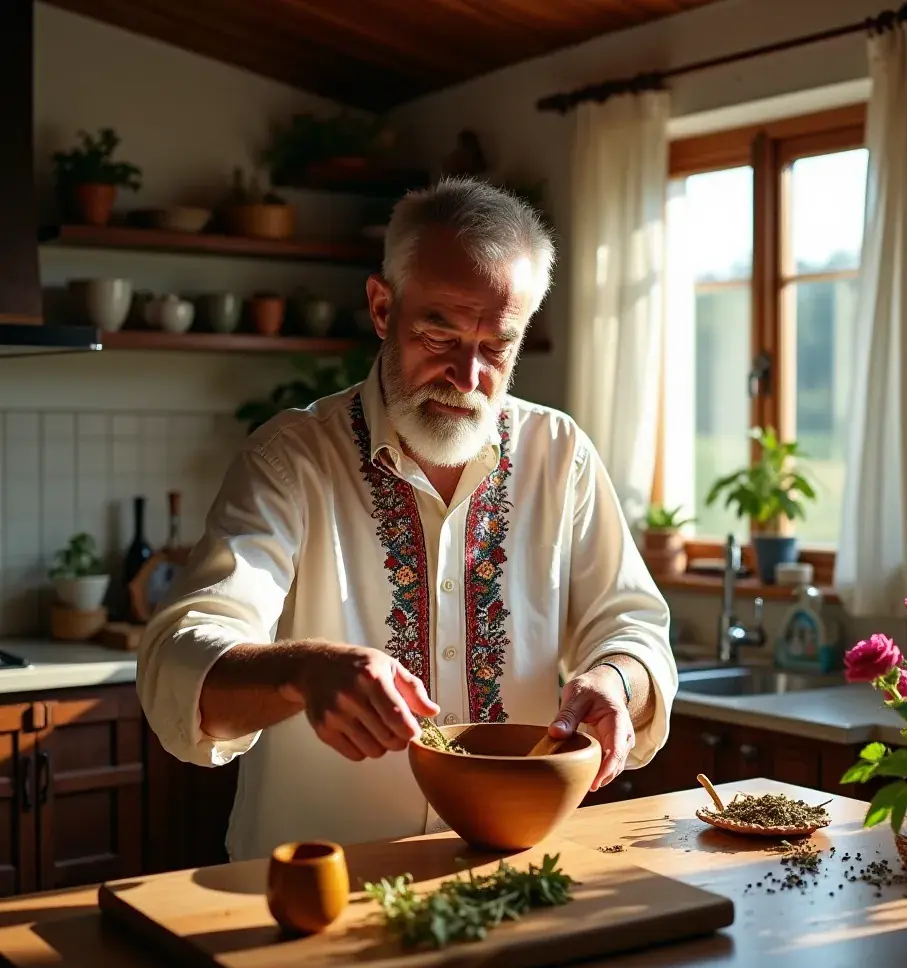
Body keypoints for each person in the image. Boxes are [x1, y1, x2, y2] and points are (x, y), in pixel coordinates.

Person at [137, 177, 676, 861]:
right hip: (317, 893)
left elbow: (631, 625)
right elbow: (177, 659)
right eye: (440, 331)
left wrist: (617, 679)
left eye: (497, 347)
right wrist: (301, 670)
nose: (466, 375)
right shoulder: (292, 458)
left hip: (511, 879)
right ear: (383, 306)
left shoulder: (559, 455)